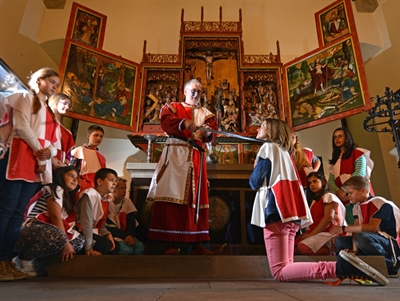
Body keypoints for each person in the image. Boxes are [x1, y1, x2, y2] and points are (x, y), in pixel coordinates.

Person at [249, 118, 388, 286]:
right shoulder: (286, 153)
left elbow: (254, 182)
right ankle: (342, 268)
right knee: (287, 266)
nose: (258, 128)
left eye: (262, 125)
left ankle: (340, 268)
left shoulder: (268, 148)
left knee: (279, 271)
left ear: (271, 131)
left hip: (275, 211)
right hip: (291, 213)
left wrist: (256, 164)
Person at [146, 78, 222, 255]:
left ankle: (197, 244)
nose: (196, 94)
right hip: (175, 156)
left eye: (199, 91)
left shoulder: (207, 113)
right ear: (185, 91)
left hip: (196, 157)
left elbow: (212, 131)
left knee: (195, 199)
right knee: (172, 196)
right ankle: (169, 244)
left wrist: (207, 134)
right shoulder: (172, 107)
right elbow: (166, 121)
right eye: (193, 90)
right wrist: (184, 123)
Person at [0, 67, 60, 281]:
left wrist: (47, 153)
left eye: (57, 84)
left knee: (19, 213)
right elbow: (22, 126)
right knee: (6, 209)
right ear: (39, 80)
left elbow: (54, 143)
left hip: (37, 162)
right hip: (20, 155)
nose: (54, 86)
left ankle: (7, 260)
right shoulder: (25, 97)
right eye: (52, 81)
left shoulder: (50, 111)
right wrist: (39, 150)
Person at [13, 166, 84, 277]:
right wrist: (66, 243)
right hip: (29, 229)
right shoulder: (56, 189)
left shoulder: (66, 197)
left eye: (77, 177)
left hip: (43, 230)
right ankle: (23, 259)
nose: (75, 180)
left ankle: (39, 262)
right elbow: (55, 218)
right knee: (59, 238)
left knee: (78, 241)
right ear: (60, 176)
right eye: (71, 176)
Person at [331, 176, 400, 278]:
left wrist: (344, 228)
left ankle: (389, 265)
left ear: (363, 191)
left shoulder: (380, 202)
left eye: (351, 193)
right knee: (340, 241)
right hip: (371, 239)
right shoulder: (356, 207)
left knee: (362, 237)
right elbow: (356, 229)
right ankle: (360, 263)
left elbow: (372, 227)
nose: (348, 196)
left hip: (390, 243)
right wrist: (355, 250)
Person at [328, 127, 374, 224]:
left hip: (359, 193)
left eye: (340, 136)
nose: (337, 139)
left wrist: (344, 190)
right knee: (352, 225)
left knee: (366, 223)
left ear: (347, 138)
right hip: (344, 199)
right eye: (335, 137)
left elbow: (359, 173)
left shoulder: (358, 153)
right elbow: (331, 181)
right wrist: (339, 192)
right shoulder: (334, 161)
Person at [295, 171, 346, 255]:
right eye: (310, 183)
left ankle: (332, 251)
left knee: (302, 247)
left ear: (323, 182)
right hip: (318, 233)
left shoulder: (328, 196)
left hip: (329, 234)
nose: (312, 185)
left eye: (315, 181)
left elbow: (328, 218)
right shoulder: (315, 201)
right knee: (294, 249)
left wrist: (311, 234)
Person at [74, 168, 119, 256]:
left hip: (91, 231)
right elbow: (86, 223)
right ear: (99, 181)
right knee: (104, 245)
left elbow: (100, 224)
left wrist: (107, 234)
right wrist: (89, 248)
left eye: (116, 181)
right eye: (111, 180)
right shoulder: (89, 195)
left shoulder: (104, 198)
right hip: (79, 231)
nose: (115, 183)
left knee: (115, 246)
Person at [105, 177, 145, 255]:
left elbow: (131, 221)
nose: (124, 191)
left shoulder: (127, 202)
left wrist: (130, 235)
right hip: (113, 234)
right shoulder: (106, 203)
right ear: (114, 189)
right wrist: (125, 236)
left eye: (125, 188)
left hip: (126, 234)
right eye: (121, 188)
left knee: (140, 247)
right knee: (126, 249)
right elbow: (108, 226)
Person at [70, 125, 106, 193]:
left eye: (101, 136)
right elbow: (71, 168)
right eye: (96, 135)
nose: (99, 138)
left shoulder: (102, 157)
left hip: (96, 188)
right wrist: (79, 182)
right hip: (80, 186)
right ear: (88, 136)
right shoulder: (79, 150)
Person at [48, 93, 75, 169]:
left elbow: (68, 155)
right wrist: (51, 159)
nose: (67, 107)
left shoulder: (67, 133)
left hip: (59, 168)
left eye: (69, 106)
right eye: (65, 103)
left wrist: (65, 165)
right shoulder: (45, 123)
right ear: (55, 101)